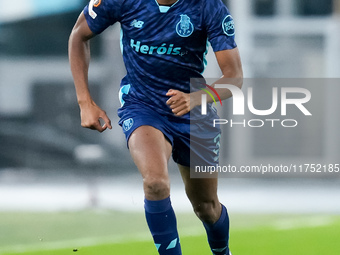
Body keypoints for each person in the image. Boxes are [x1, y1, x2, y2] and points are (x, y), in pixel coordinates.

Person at [68, 0, 243, 254]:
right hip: (142, 106)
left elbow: (234, 77)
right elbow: (78, 35)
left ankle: (222, 251)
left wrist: (195, 98)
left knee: (206, 207)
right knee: (155, 182)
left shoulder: (208, 7)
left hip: (194, 111)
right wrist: (85, 102)